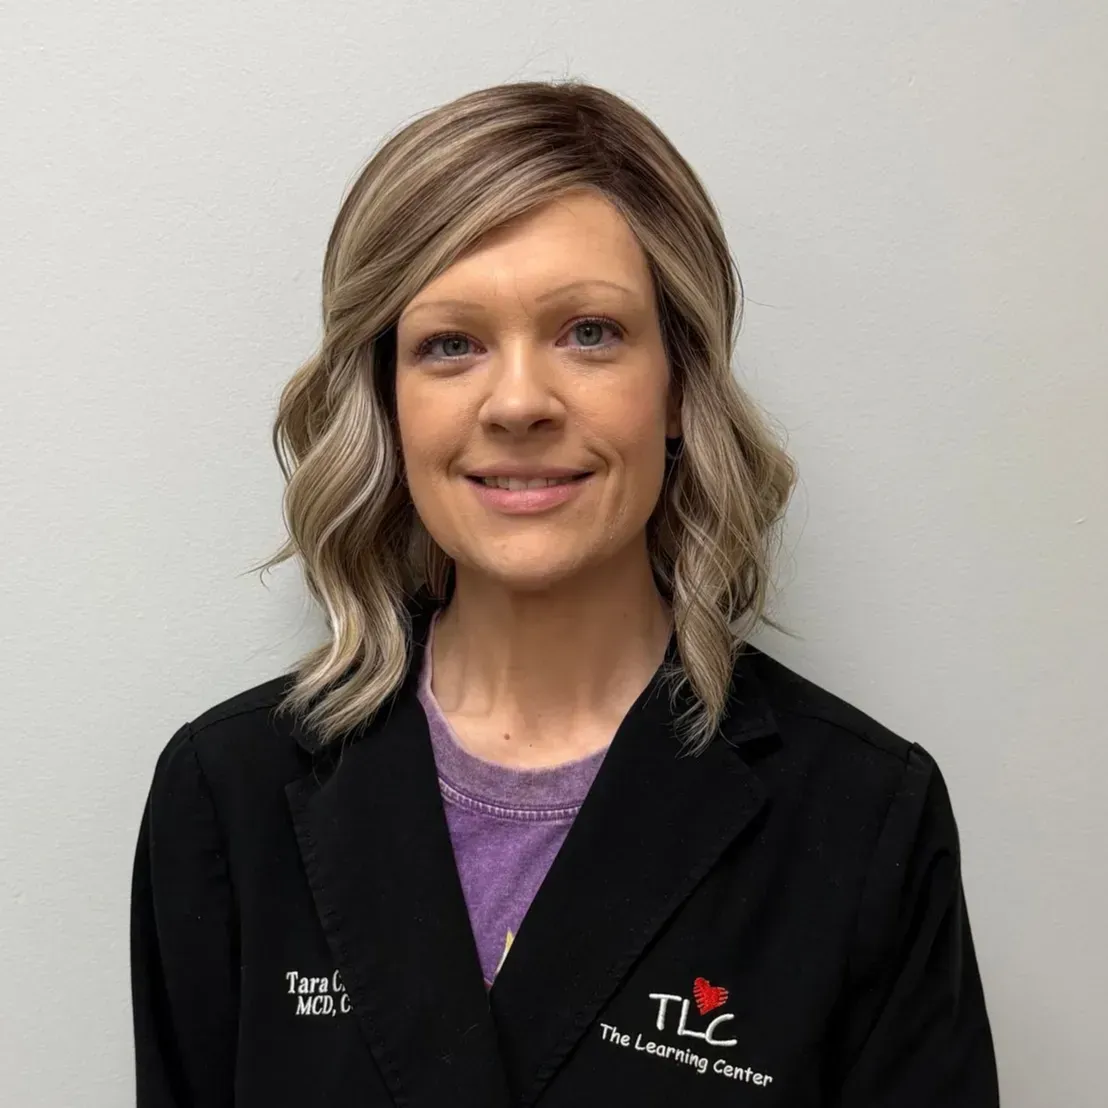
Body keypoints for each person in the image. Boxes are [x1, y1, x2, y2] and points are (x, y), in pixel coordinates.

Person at [130, 79, 1000, 1107]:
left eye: (588, 332)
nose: (518, 403)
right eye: (450, 343)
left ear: (678, 385)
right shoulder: (226, 799)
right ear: (389, 403)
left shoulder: (862, 821)